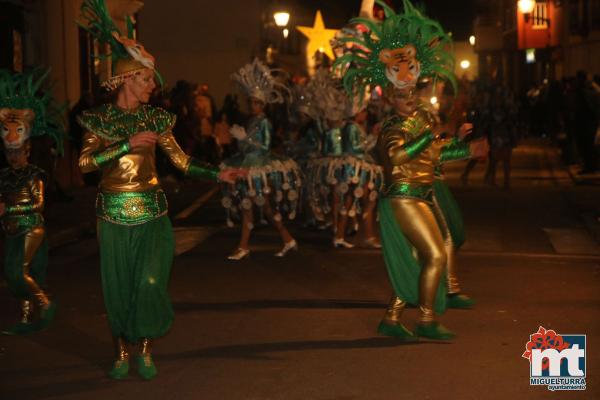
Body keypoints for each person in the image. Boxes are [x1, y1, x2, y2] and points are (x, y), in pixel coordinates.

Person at [77, 0, 243, 380]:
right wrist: (124, 145)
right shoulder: (100, 119)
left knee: (150, 281)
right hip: (113, 214)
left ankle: (146, 348)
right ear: (125, 79)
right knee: (118, 287)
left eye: (151, 79)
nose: (153, 85)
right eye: (146, 78)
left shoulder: (156, 118)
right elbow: (84, 165)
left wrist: (218, 174)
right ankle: (121, 350)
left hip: (152, 212)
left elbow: (182, 162)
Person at [335, 0, 488, 340]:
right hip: (403, 200)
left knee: (419, 259)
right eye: (400, 93)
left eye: (411, 89)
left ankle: (391, 318)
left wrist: (467, 149)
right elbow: (399, 157)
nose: (408, 95)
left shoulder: (420, 119)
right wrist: (426, 139)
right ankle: (427, 320)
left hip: (422, 197)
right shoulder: (392, 125)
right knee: (435, 255)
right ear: (390, 97)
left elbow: (436, 154)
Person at [0, 68, 64, 335]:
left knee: (18, 272)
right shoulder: (4, 175)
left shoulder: (34, 174)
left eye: (17, 150)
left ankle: (45, 304)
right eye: (8, 150)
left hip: (30, 226)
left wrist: (8, 208)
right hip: (11, 228)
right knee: (15, 272)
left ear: (27, 148)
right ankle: (26, 319)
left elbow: (37, 204)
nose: (12, 154)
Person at [220, 58, 301, 260]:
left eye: (256, 103)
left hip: (258, 168)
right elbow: (246, 146)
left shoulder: (264, 122)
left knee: (255, 205)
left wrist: (245, 138)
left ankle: (244, 246)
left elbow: (264, 146)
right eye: (251, 102)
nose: (252, 105)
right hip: (247, 164)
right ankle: (286, 240)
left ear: (262, 104)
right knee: (259, 206)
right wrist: (240, 140)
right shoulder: (252, 120)